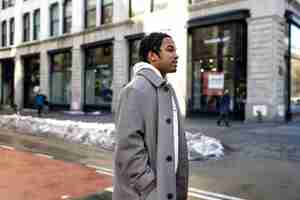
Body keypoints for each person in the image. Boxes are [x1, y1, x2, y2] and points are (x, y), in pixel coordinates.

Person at [113, 32, 189, 200]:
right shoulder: (135, 89)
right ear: (152, 56)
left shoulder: (167, 90)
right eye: (170, 49)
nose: (176, 55)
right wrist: (150, 189)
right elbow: (128, 149)